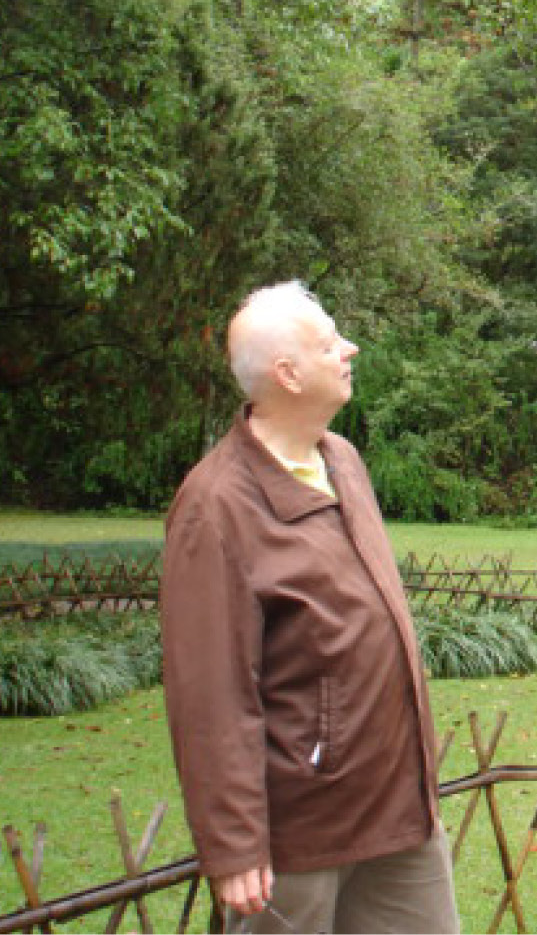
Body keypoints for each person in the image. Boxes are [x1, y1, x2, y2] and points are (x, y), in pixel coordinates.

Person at [159, 281, 459, 934]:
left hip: (397, 806)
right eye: (329, 344)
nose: (348, 349)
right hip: (300, 830)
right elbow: (210, 691)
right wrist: (234, 843)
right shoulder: (214, 507)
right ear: (287, 374)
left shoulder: (341, 459)